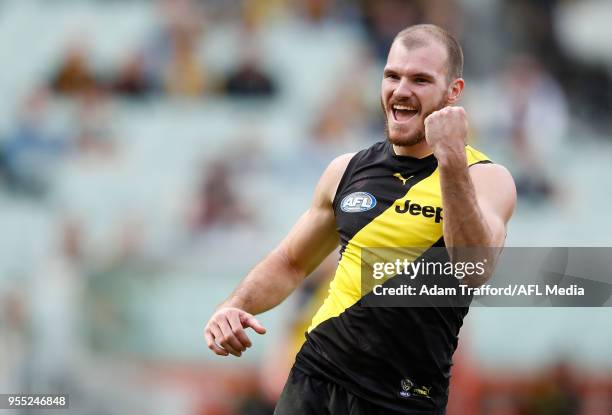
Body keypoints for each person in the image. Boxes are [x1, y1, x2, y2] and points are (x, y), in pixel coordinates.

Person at [204, 24, 516, 414]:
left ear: (453, 92)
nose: (402, 90)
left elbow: (473, 267)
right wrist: (232, 306)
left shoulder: (487, 178)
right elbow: (291, 262)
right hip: (316, 380)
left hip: (404, 400)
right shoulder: (346, 170)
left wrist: (451, 159)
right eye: (392, 76)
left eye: (420, 79)